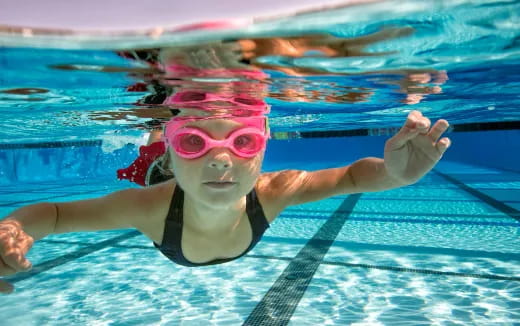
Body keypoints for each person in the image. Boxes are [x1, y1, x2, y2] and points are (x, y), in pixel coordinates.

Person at [0, 109, 450, 294]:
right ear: (177, 156)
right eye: (196, 141)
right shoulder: (149, 206)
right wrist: (15, 228)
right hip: (162, 177)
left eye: (243, 140)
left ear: (263, 151)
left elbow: (352, 176)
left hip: (177, 172)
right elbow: (56, 215)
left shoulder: (275, 190)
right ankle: (161, 138)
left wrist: (393, 174)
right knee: (147, 161)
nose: (221, 159)